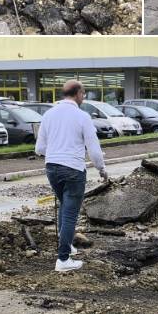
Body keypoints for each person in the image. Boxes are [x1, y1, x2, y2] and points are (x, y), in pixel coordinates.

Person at [34, 80, 108, 272]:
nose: (84, 97)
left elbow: (39, 148)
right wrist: (101, 169)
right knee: (69, 214)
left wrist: (57, 152)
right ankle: (63, 259)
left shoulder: (48, 115)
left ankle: (67, 245)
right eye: (84, 93)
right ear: (78, 94)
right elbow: (94, 149)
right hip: (73, 169)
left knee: (64, 207)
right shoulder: (82, 116)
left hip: (52, 168)